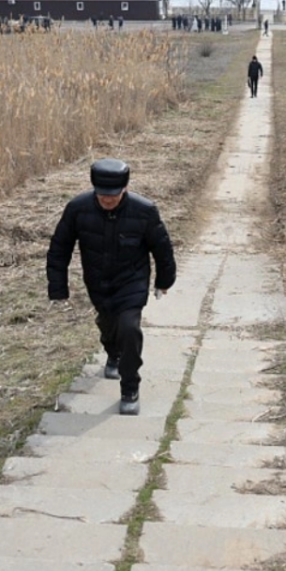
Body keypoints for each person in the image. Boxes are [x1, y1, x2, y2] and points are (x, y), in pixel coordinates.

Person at [46, 158, 176, 415]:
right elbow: (59, 249)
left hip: (132, 281)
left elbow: (162, 249)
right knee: (108, 326)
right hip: (97, 282)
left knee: (128, 328)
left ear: (124, 189)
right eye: (102, 195)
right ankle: (112, 353)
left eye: (113, 196)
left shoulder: (144, 211)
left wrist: (163, 282)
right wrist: (58, 288)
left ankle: (130, 388)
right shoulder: (77, 209)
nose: (107, 200)